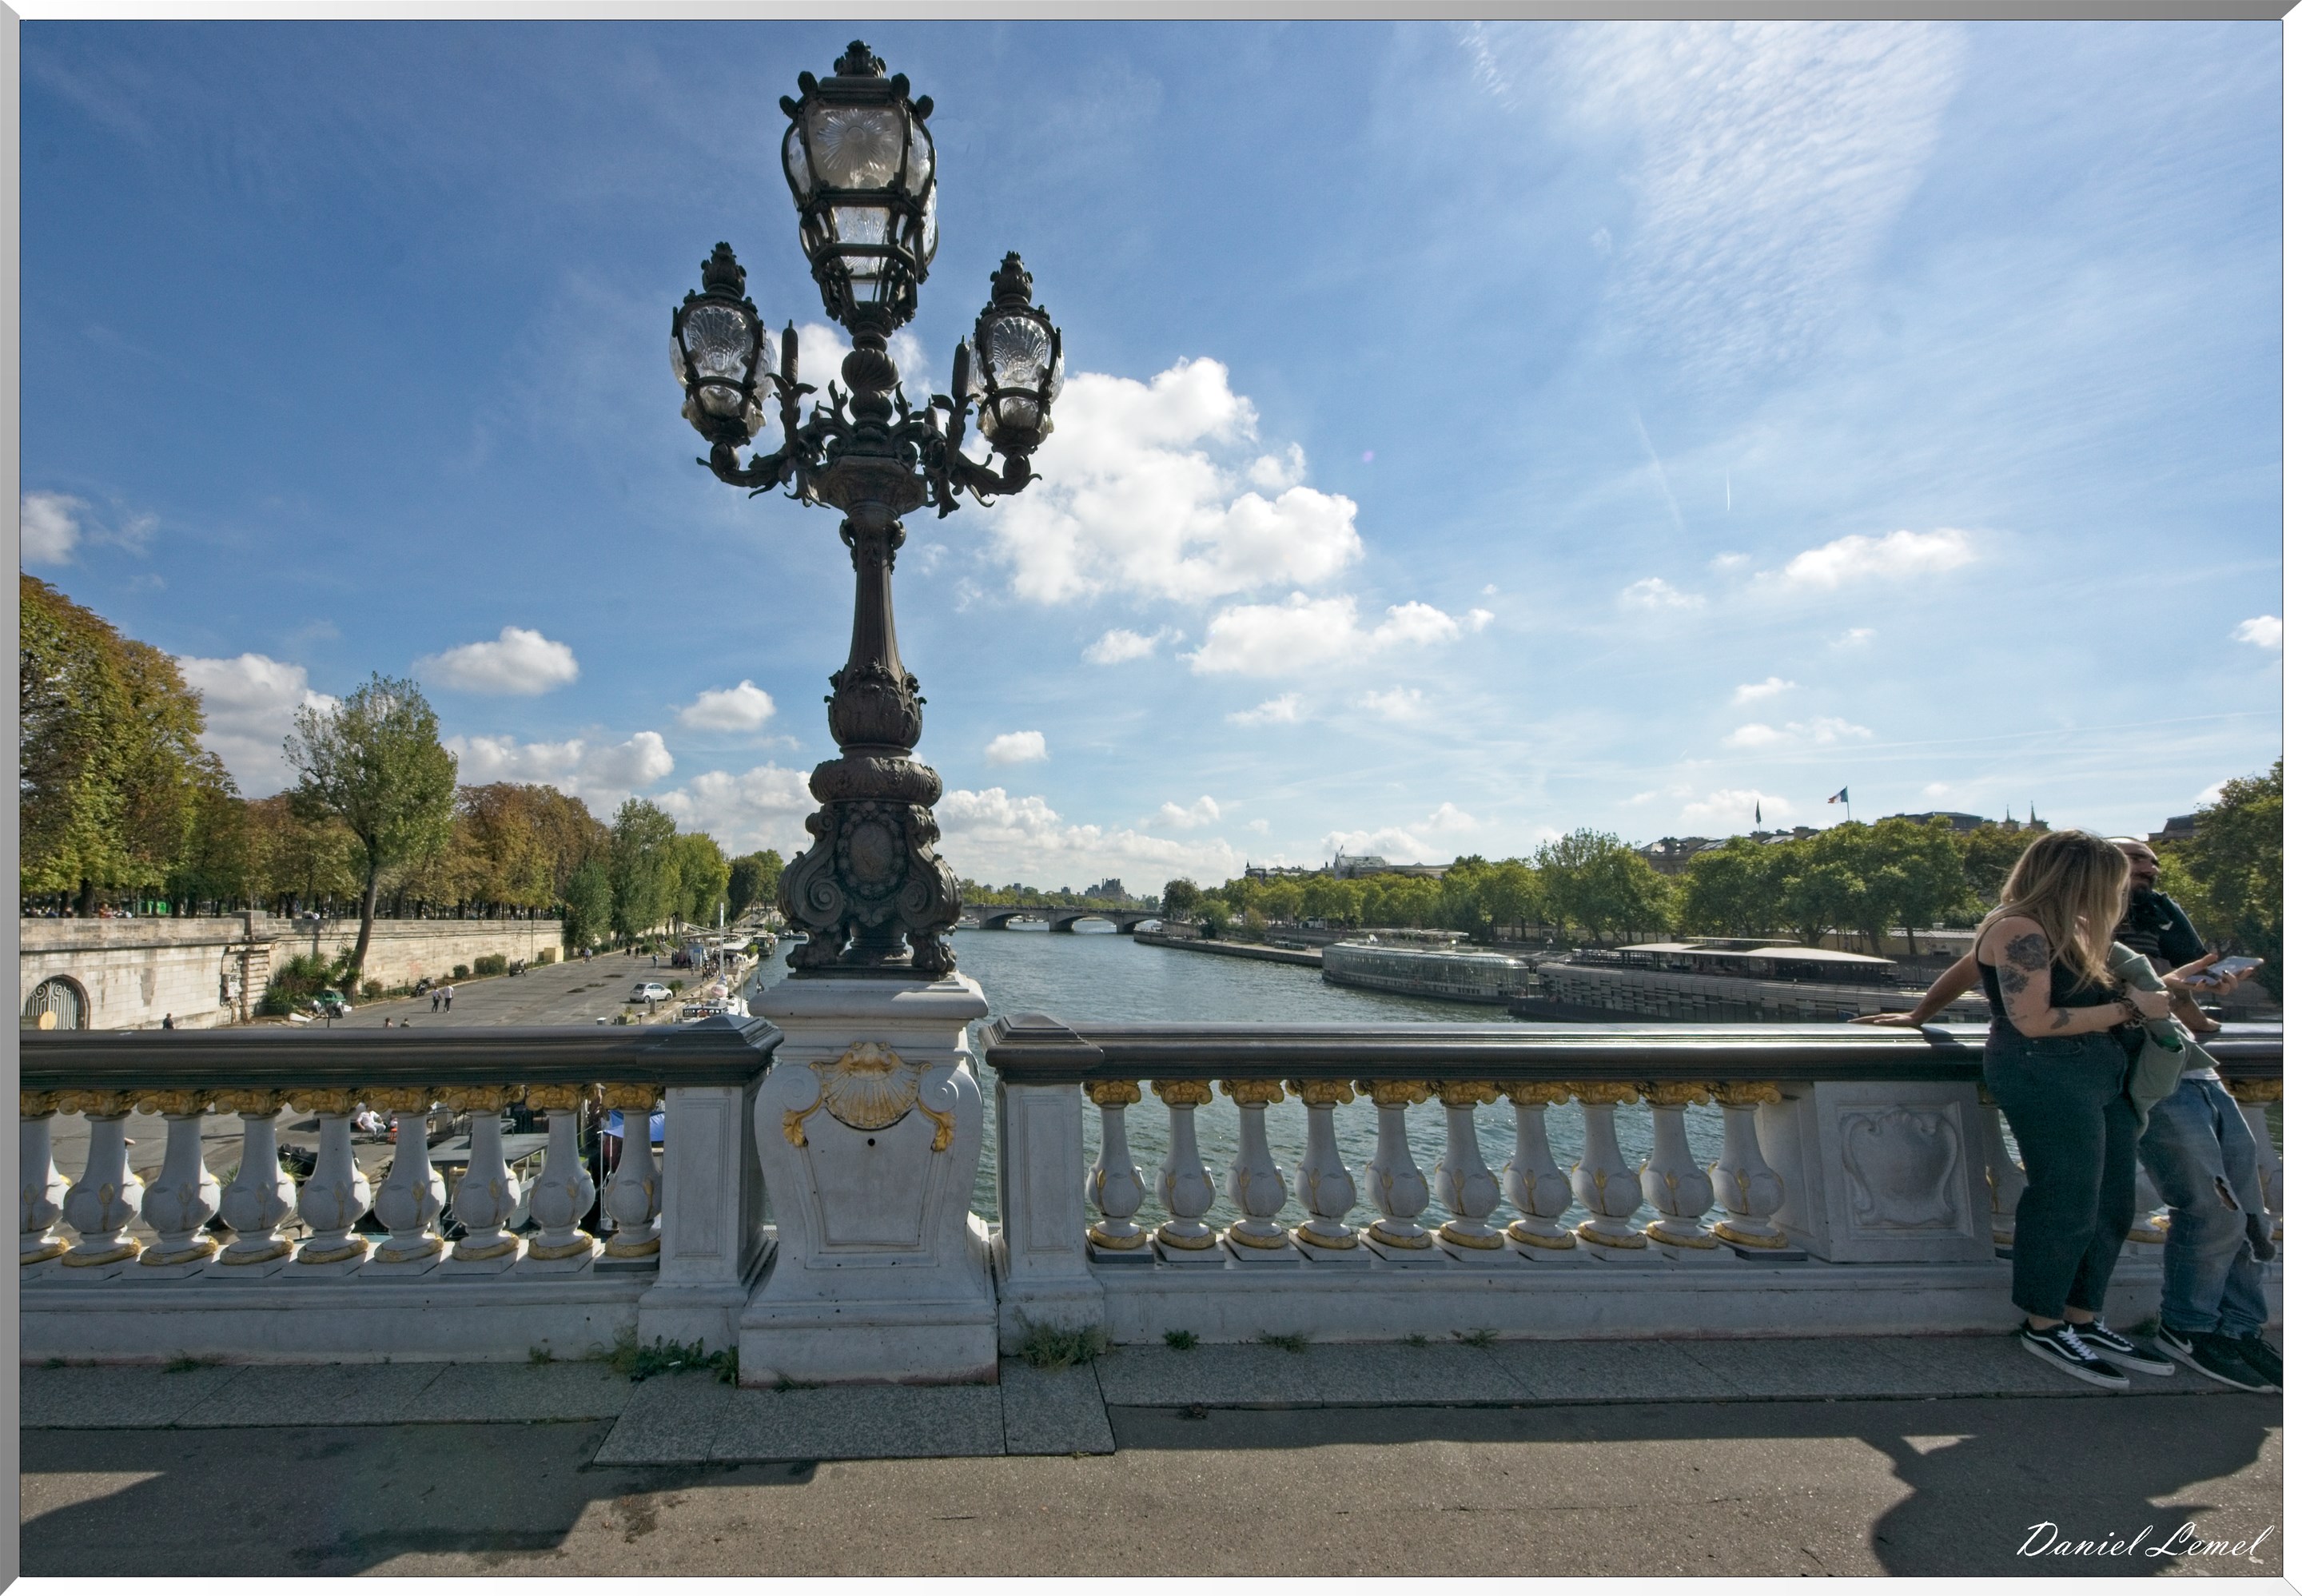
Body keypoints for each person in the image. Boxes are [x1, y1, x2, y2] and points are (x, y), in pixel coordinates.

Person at [1969, 830, 2176, 1387]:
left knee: (2113, 1202)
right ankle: (2044, 1322)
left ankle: (2083, 1316)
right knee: (2066, 1199)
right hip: (2043, 1069)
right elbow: (2032, 1020)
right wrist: (2131, 1008)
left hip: (2098, 1070)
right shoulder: (2018, 928)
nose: (2121, 892)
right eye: (2112, 880)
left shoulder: (2077, 929)